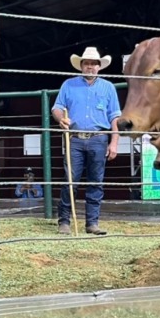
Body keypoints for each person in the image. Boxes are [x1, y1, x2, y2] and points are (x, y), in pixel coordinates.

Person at [51, 46, 121, 235]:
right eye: (87, 63)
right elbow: (57, 108)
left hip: (99, 138)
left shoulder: (108, 88)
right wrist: (61, 119)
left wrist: (114, 142)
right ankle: (64, 221)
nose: (90, 67)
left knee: (96, 182)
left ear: (99, 66)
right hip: (74, 139)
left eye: (93, 64)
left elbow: (115, 117)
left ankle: (92, 223)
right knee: (70, 180)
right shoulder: (68, 85)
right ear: (81, 66)